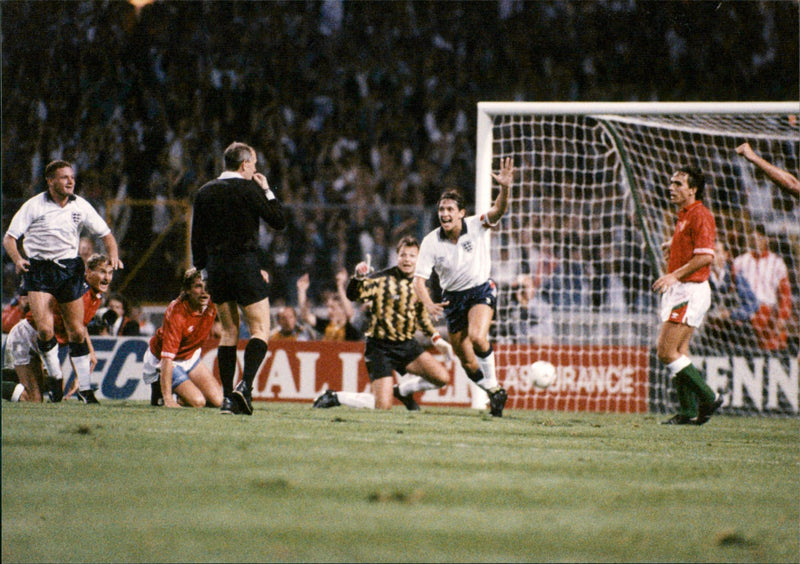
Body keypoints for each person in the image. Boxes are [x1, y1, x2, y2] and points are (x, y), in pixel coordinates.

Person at [3, 160, 122, 403]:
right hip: (40, 269)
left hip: (69, 269)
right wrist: (17, 259)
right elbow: (10, 238)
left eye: (72, 177)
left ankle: (86, 391)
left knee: (77, 332)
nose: (70, 181)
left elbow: (106, 234)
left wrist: (114, 255)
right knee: (44, 329)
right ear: (50, 181)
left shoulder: (80, 205)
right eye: (64, 177)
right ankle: (56, 378)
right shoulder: (34, 205)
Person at [412, 156, 514, 417]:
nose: (444, 214)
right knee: (467, 361)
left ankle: (494, 390)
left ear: (461, 213)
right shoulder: (430, 242)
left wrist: (505, 188)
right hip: (453, 300)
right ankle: (495, 390)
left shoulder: (476, 225)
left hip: (480, 290)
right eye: (441, 210)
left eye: (449, 210)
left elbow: (498, 211)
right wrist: (428, 302)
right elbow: (419, 281)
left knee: (479, 337)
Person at [191, 142, 286, 415]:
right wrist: (267, 189)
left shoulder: (204, 192)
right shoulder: (250, 189)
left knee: (229, 332)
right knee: (260, 330)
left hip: (217, 269)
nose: (255, 168)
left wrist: (204, 271)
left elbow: (196, 237)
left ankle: (227, 400)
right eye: (253, 163)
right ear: (244, 164)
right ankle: (244, 386)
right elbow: (278, 220)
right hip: (244, 265)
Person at [313, 236, 453, 410]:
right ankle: (335, 396)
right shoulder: (381, 279)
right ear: (397, 257)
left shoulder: (420, 284)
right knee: (383, 406)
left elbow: (422, 318)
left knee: (442, 378)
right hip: (380, 348)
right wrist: (357, 278)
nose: (407, 259)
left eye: (411, 256)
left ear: (419, 259)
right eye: (403, 255)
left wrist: (436, 338)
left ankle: (402, 391)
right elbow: (354, 296)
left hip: (406, 345)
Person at [652, 165, 723, 426]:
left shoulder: (700, 214)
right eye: (671, 182)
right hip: (683, 288)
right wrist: (674, 245)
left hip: (690, 289)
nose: (671, 187)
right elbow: (694, 243)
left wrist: (673, 275)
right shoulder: (685, 214)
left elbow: (705, 256)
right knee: (680, 350)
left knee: (665, 351)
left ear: (693, 190)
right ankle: (688, 411)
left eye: (679, 184)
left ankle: (709, 397)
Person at [4, 253, 113, 402]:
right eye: (102, 272)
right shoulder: (78, 294)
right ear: (88, 271)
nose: (107, 278)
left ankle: (12, 375)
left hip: (44, 345)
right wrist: (80, 377)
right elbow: (75, 335)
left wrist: (91, 353)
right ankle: (10, 378)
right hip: (26, 337)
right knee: (32, 399)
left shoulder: (94, 295)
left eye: (110, 272)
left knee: (45, 394)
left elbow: (81, 327)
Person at [142, 268, 222, 409]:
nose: (204, 291)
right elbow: (167, 358)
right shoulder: (177, 314)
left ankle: (182, 394)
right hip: (165, 360)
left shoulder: (211, 302)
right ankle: (160, 389)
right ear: (187, 290)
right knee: (198, 402)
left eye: (206, 287)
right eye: (198, 286)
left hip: (189, 357)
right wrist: (168, 399)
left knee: (218, 401)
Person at [732, 224, 792, 351]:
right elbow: (731, 289)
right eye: (753, 238)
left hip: (768, 313)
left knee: (772, 349)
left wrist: (782, 316)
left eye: (759, 238)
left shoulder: (777, 263)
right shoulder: (740, 262)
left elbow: (785, 293)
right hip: (746, 314)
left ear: (766, 240)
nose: (755, 242)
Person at [701, 240, 760, 353]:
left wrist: (732, 314)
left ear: (726, 255)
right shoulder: (702, 278)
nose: (713, 256)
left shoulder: (735, 277)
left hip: (733, 331)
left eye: (717, 252)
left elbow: (753, 304)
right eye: (710, 252)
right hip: (709, 330)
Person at [297, 271, 362, 342]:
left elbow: (349, 312)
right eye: (328, 307)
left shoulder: (351, 330)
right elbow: (305, 316)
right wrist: (301, 291)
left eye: (333, 308)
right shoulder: (325, 325)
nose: (329, 311)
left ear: (342, 309)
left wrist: (340, 286)